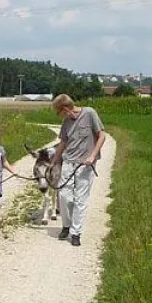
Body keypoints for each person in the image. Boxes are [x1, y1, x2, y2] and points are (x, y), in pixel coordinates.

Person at [49, 94, 106, 247]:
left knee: (81, 199)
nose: (58, 115)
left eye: (58, 111)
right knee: (64, 196)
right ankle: (66, 225)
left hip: (85, 165)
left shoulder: (89, 113)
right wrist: (54, 161)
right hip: (68, 163)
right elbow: (63, 142)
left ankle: (76, 233)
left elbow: (102, 135)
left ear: (65, 108)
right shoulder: (66, 122)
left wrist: (93, 156)